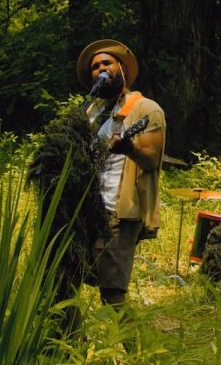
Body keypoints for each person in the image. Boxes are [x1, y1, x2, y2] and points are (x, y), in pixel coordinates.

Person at [78, 39, 166, 310]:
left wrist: (129, 148)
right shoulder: (92, 112)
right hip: (86, 210)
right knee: (69, 280)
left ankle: (138, 352)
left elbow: (151, 160)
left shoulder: (146, 109)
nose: (100, 69)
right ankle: (71, 345)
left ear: (122, 69)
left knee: (112, 295)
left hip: (119, 212)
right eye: (95, 66)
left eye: (107, 63)